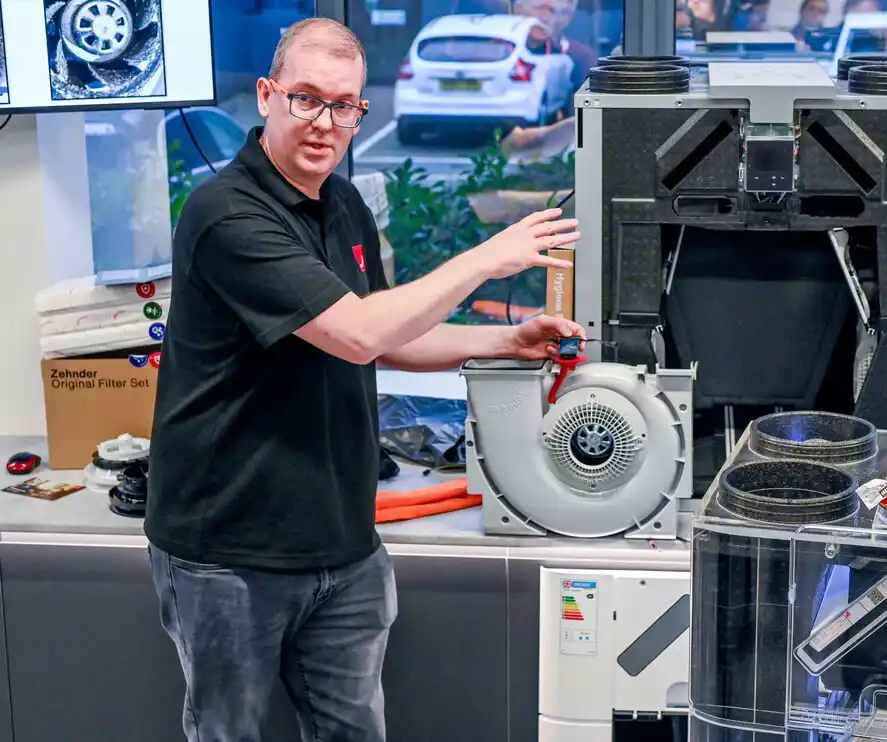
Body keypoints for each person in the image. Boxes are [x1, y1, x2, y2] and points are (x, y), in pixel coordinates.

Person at [143, 18, 584, 742]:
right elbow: (356, 333)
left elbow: (382, 332)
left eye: (345, 105)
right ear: (267, 96)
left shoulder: (341, 204)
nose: (326, 123)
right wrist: (485, 259)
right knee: (228, 732)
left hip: (343, 540)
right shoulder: (226, 213)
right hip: (229, 548)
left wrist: (506, 340)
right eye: (307, 99)